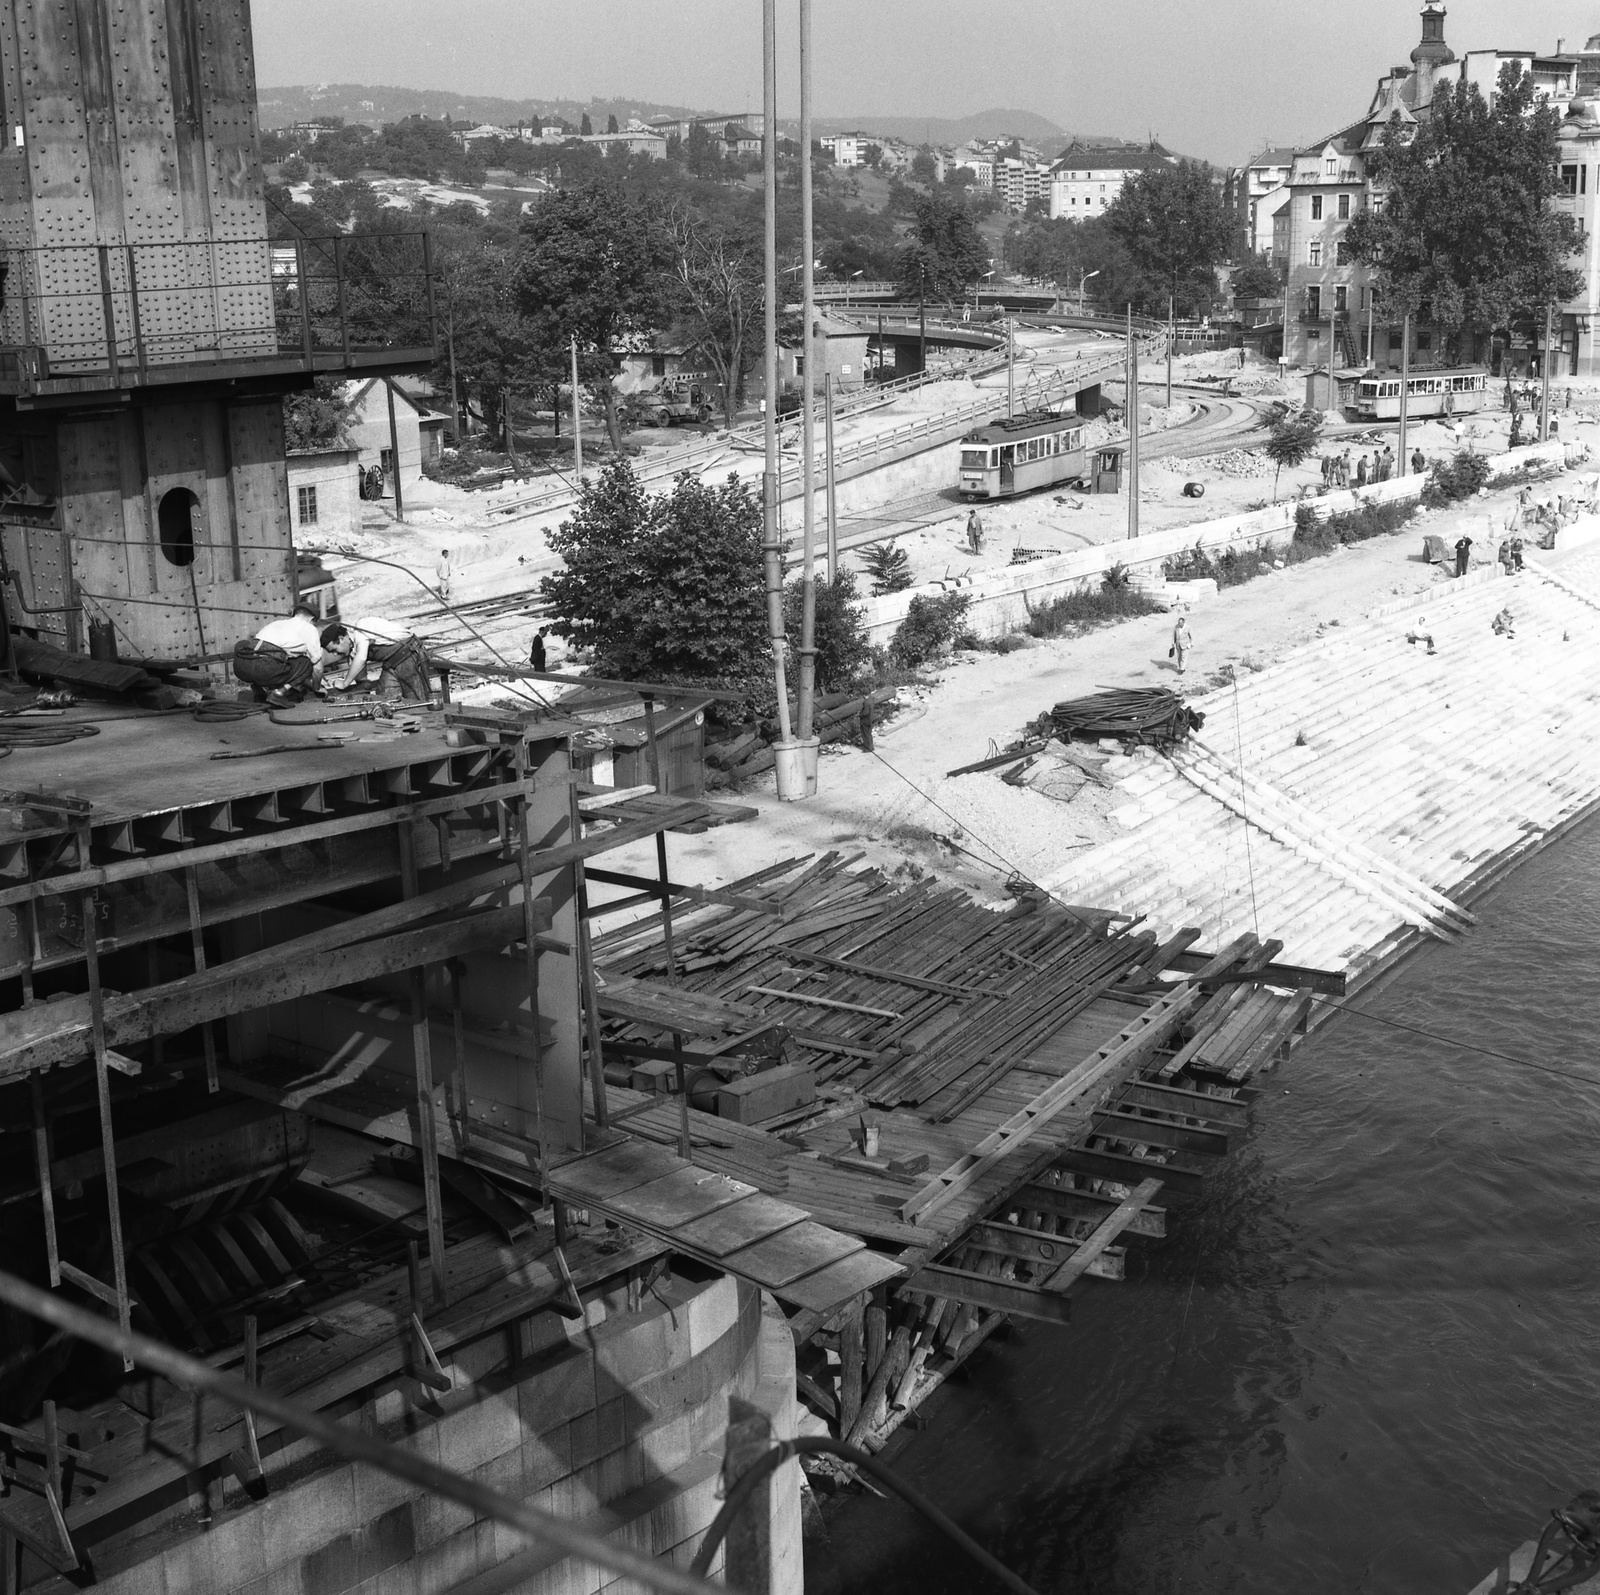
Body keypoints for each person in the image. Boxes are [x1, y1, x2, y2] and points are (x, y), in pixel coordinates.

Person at [233, 612, 348, 706]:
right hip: (265, 669)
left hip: (241, 667)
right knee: (307, 662)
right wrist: (317, 688)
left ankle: (258, 692)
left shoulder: (276, 624)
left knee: (256, 654)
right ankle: (278, 694)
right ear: (312, 619)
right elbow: (317, 669)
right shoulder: (309, 628)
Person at [325, 616, 432, 701]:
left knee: (416, 701)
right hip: (392, 663)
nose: (335, 654)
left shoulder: (360, 628)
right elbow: (362, 680)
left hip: (410, 657)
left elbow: (361, 658)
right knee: (384, 699)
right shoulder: (353, 649)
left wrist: (345, 683)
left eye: (334, 649)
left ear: (341, 639)